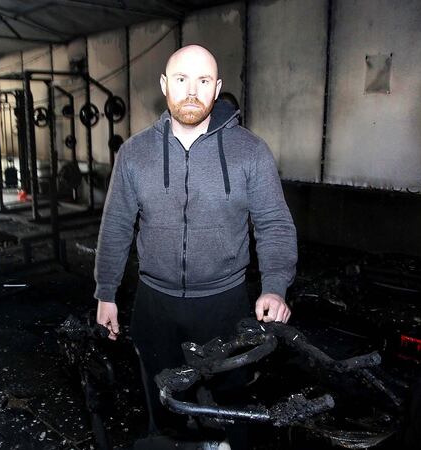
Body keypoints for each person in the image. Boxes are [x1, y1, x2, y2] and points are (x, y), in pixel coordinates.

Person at [93, 45, 298, 444]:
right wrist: (106, 292)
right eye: (182, 79)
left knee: (231, 401)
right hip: (155, 304)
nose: (192, 91)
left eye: (203, 81)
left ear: (217, 88)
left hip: (225, 304)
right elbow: (116, 225)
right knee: (163, 401)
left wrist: (275, 285)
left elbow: (273, 223)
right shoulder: (134, 153)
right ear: (164, 85)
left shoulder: (250, 152)